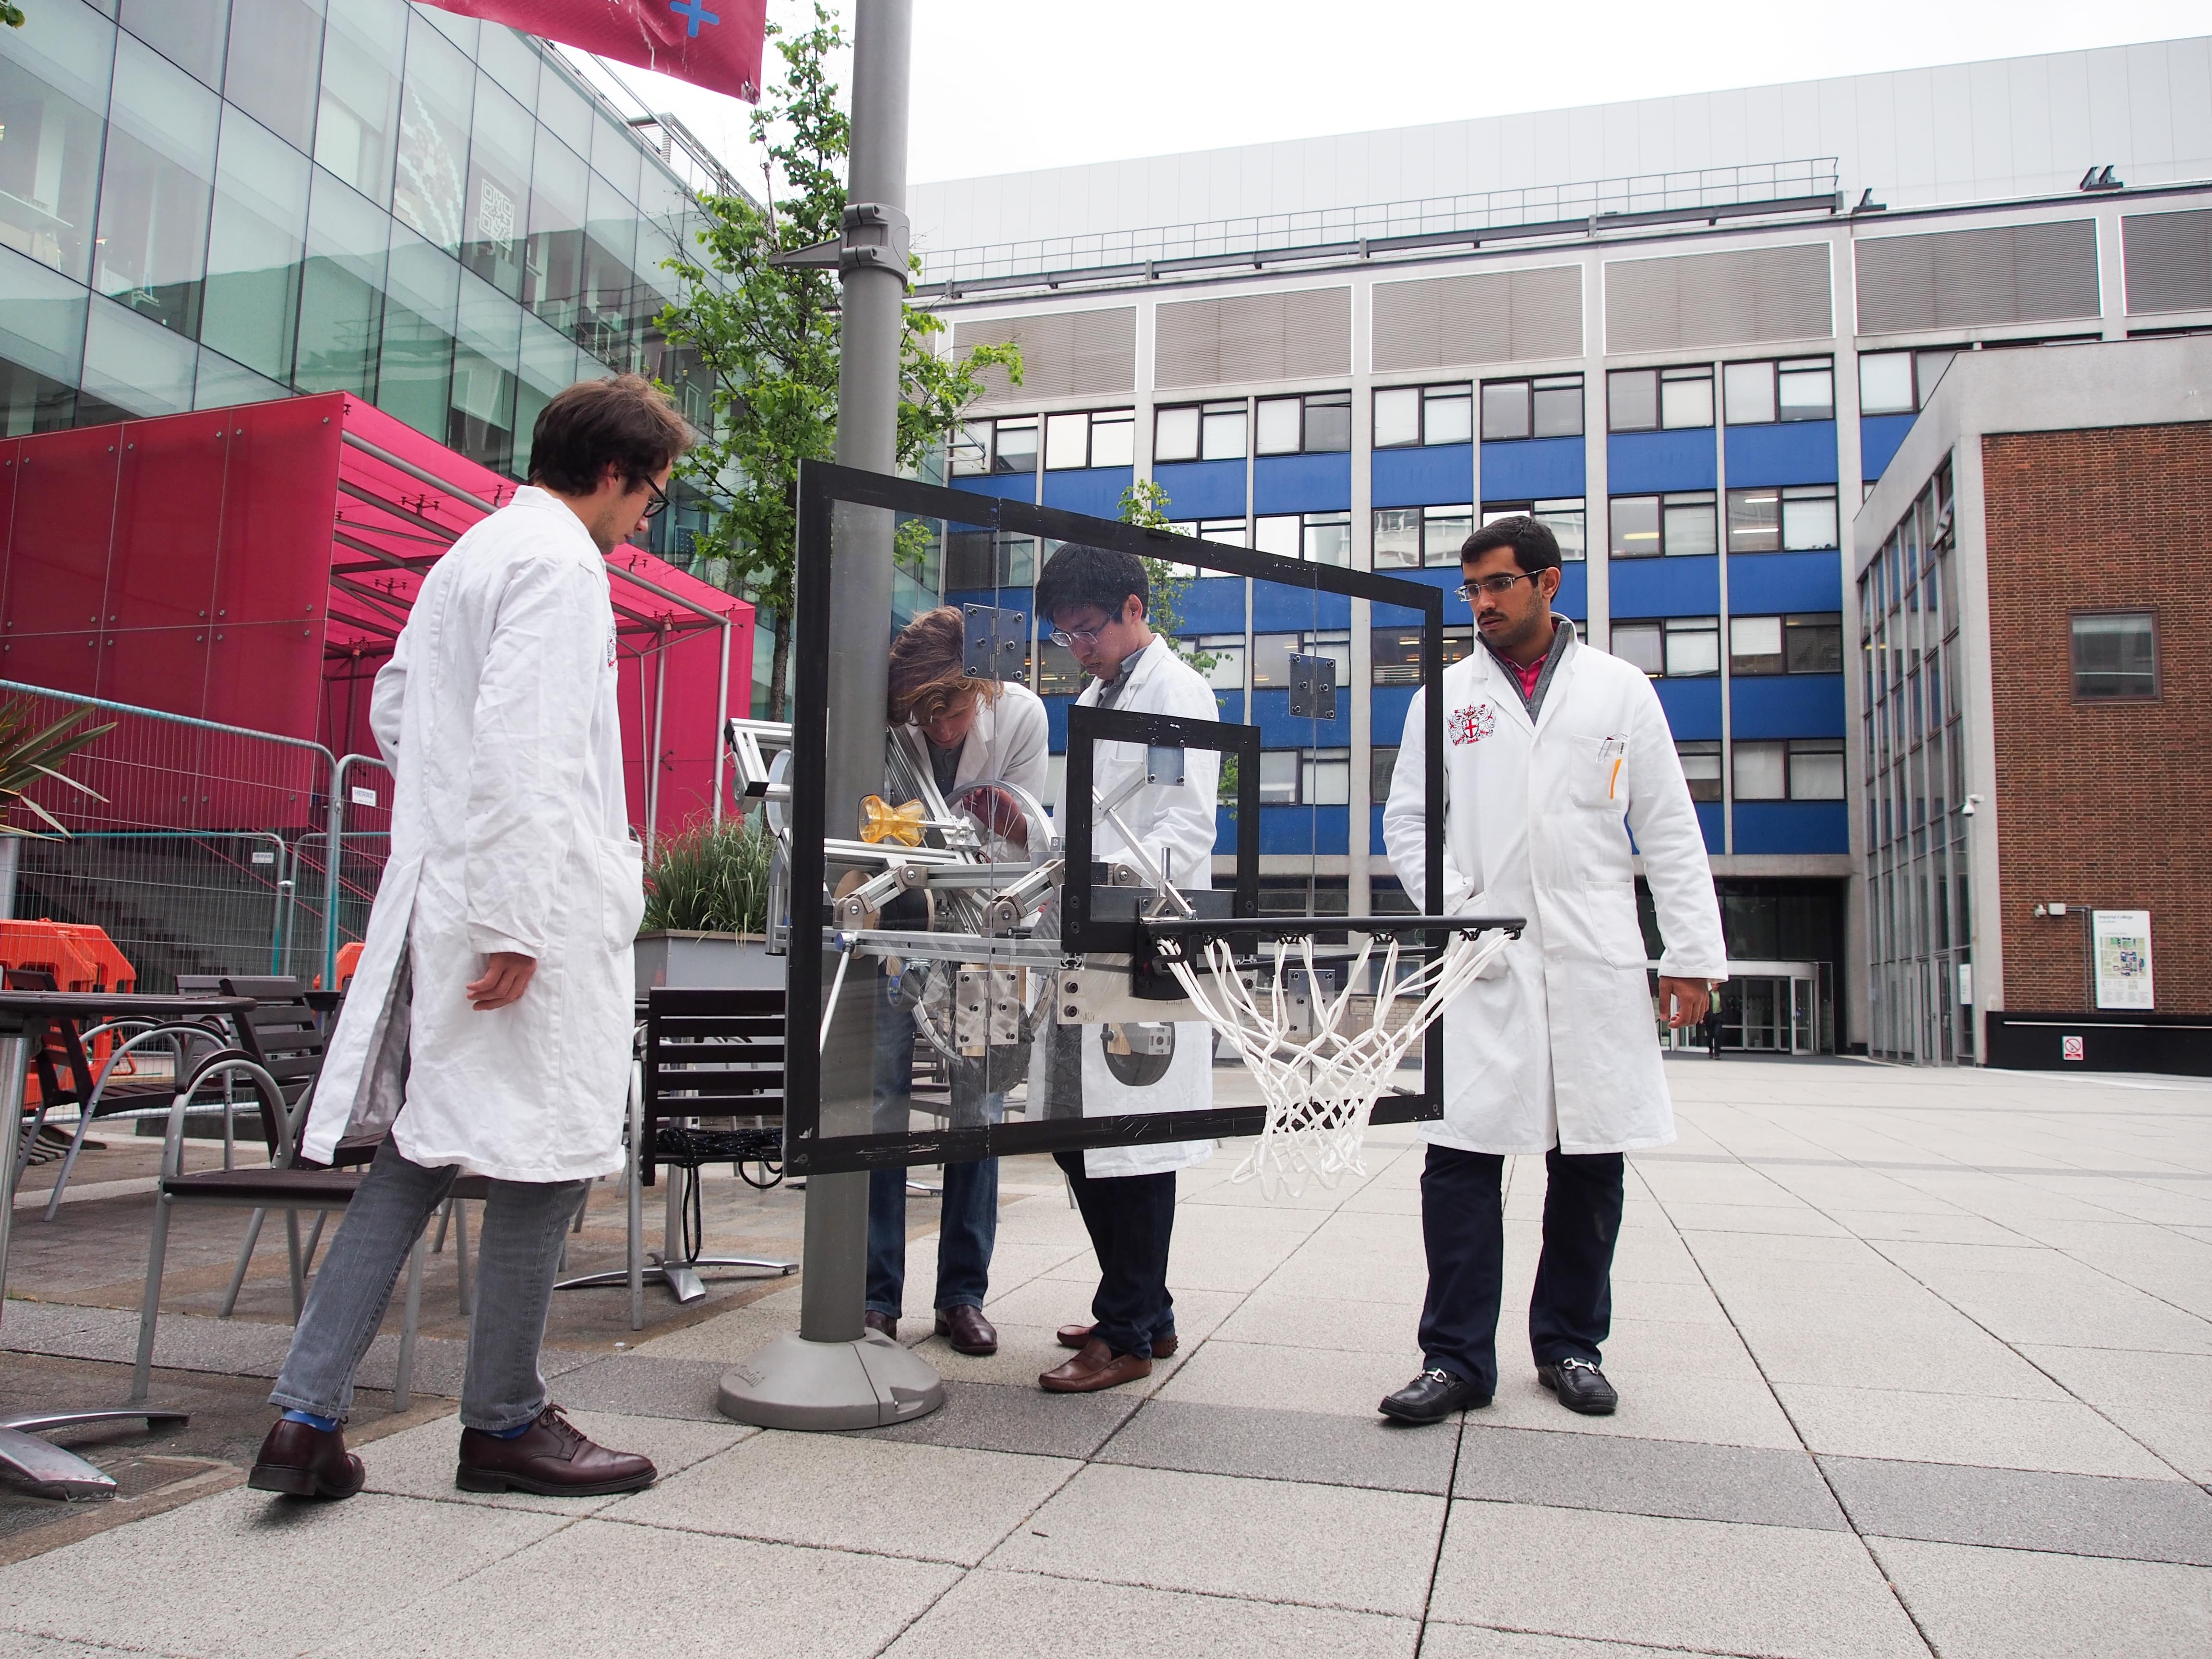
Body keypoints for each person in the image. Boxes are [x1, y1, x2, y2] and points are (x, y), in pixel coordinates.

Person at [247, 375, 693, 1500]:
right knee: (544, 1151)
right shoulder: (560, 567)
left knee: (422, 1147)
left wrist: (460, 849)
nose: (648, 517)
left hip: (459, 892)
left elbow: (403, 709)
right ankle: (502, 1423)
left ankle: (304, 1418)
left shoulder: (473, 555)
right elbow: (529, 746)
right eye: (651, 494)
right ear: (609, 474)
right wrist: (513, 912)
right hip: (519, 913)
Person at [1378, 515, 1725, 1424]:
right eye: (1472, 590)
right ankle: (1454, 1360)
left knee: (1589, 1164)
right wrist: (1465, 911)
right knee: (1458, 1160)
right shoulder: (1443, 696)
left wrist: (1689, 954)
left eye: (1497, 585)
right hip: (1483, 958)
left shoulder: (1620, 690)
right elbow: (1409, 822)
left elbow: (1671, 827)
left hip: (1593, 955)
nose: (1482, 603)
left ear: (1549, 584)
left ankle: (1571, 1345)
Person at [1032, 544, 1218, 1394]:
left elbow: (1183, 827)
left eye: (1088, 629)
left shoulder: (1174, 693)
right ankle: (1148, 1306)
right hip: (1091, 929)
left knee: (1131, 1141)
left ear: (1135, 608)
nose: (1079, 646)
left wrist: (1097, 869)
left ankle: (1127, 1332)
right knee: (1078, 1133)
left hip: (1142, 937)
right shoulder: (1096, 691)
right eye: (1066, 634)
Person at [866, 607, 1049, 1356]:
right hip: (899, 933)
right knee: (882, 1103)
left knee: (980, 1107)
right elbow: (872, 832)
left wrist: (991, 828)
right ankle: (875, 1297)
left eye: (956, 711)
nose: (943, 730)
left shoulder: (1022, 715)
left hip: (988, 939)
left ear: (984, 689)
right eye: (927, 714)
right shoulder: (887, 722)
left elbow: (1024, 841)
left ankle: (962, 1295)